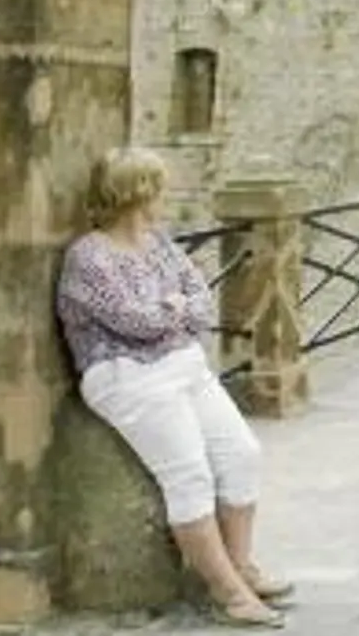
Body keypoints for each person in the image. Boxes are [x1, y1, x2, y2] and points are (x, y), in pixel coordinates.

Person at [56, 147, 291, 630]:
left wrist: (173, 308)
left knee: (243, 453)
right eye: (158, 187)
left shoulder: (159, 242)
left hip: (183, 365)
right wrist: (174, 309)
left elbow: (203, 301)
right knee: (189, 477)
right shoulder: (89, 257)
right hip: (125, 375)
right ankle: (228, 594)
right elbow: (133, 321)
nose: (164, 196)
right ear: (138, 193)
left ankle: (241, 567)